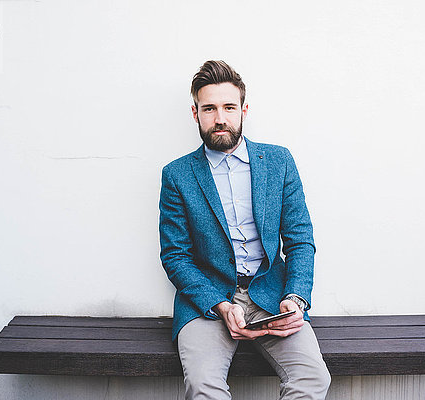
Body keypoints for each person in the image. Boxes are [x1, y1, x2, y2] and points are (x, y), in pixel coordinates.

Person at [159, 60, 331, 400]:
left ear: (244, 110)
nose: (219, 118)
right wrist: (220, 306)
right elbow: (175, 256)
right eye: (209, 108)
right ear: (195, 113)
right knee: (203, 386)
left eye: (228, 107)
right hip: (207, 302)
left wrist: (295, 297)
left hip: (272, 295)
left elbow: (300, 240)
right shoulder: (177, 175)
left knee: (312, 379)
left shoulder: (278, 161)